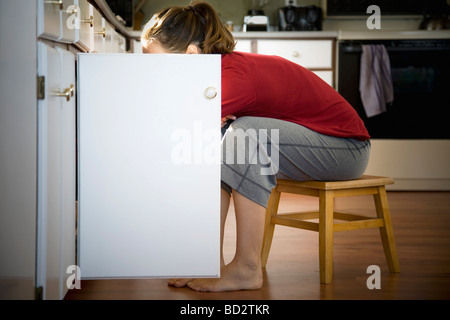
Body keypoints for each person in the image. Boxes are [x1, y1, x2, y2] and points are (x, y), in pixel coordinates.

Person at [141, 1, 371, 292]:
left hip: (346, 150)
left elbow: (172, 129)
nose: (147, 72)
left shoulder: (231, 80)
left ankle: (247, 268)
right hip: (316, 142)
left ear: (190, 54)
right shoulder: (215, 75)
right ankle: (203, 258)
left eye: (154, 62)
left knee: (245, 134)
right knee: (223, 137)